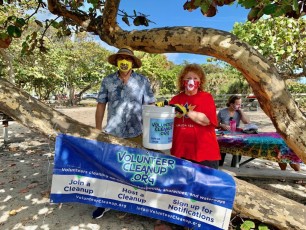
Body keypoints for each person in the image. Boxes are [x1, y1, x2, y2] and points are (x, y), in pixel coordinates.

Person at [93, 46, 155, 219]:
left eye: (127, 59)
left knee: (133, 169)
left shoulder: (143, 81)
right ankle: (103, 204)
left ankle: (130, 203)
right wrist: (98, 130)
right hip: (113, 132)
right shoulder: (107, 81)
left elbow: (149, 106)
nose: (124, 61)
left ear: (133, 62)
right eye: (121, 58)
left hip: (137, 132)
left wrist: (150, 132)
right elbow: (100, 105)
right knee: (108, 169)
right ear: (116, 62)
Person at [169, 64, 220, 169]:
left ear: (200, 81)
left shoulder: (206, 97)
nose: (191, 81)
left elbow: (206, 121)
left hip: (204, 153)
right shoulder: (175, 99)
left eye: (195, 78)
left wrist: (186, 111)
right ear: (182, 81)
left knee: (206, 184)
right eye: (188, 78)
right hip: (181, 151)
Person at [217, 95, 250, 167]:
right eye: (237, 104)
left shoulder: (239, 112)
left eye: (240, 104)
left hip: (235, 135)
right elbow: (216, 124)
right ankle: (220, 166)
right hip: (223, 135)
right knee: (221, 151)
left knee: (238, 149)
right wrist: (222, 125)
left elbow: (247, 122)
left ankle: (234, 167)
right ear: (231, 104)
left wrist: (240, 110)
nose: (239, 105)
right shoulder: (222, 112)